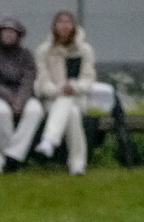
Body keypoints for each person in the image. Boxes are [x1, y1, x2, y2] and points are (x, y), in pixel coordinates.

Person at [33, 10, 97, 175]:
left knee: (71, 105)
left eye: (68, 22)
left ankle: (49, 139)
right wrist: (59, 89)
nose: (64, 25)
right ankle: (77, 163)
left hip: (78, 97)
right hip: (51, 100)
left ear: (74, 26)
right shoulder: (44, 51)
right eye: (60, 22)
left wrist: (74, 87)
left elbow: (88, 79)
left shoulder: (85, 50)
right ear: (54, 26)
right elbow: (42, 81)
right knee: (72, 113)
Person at [0, 16, 44, 174]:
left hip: (24, 97)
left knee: (35, 110)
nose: (9, 35)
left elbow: (29, 79)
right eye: (5, 31)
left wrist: (20, 100)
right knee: (1, 112)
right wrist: (10, 98)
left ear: (19, 35)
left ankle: (12, 156)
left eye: (13, 32)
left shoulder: (27, 55)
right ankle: (5, 158)